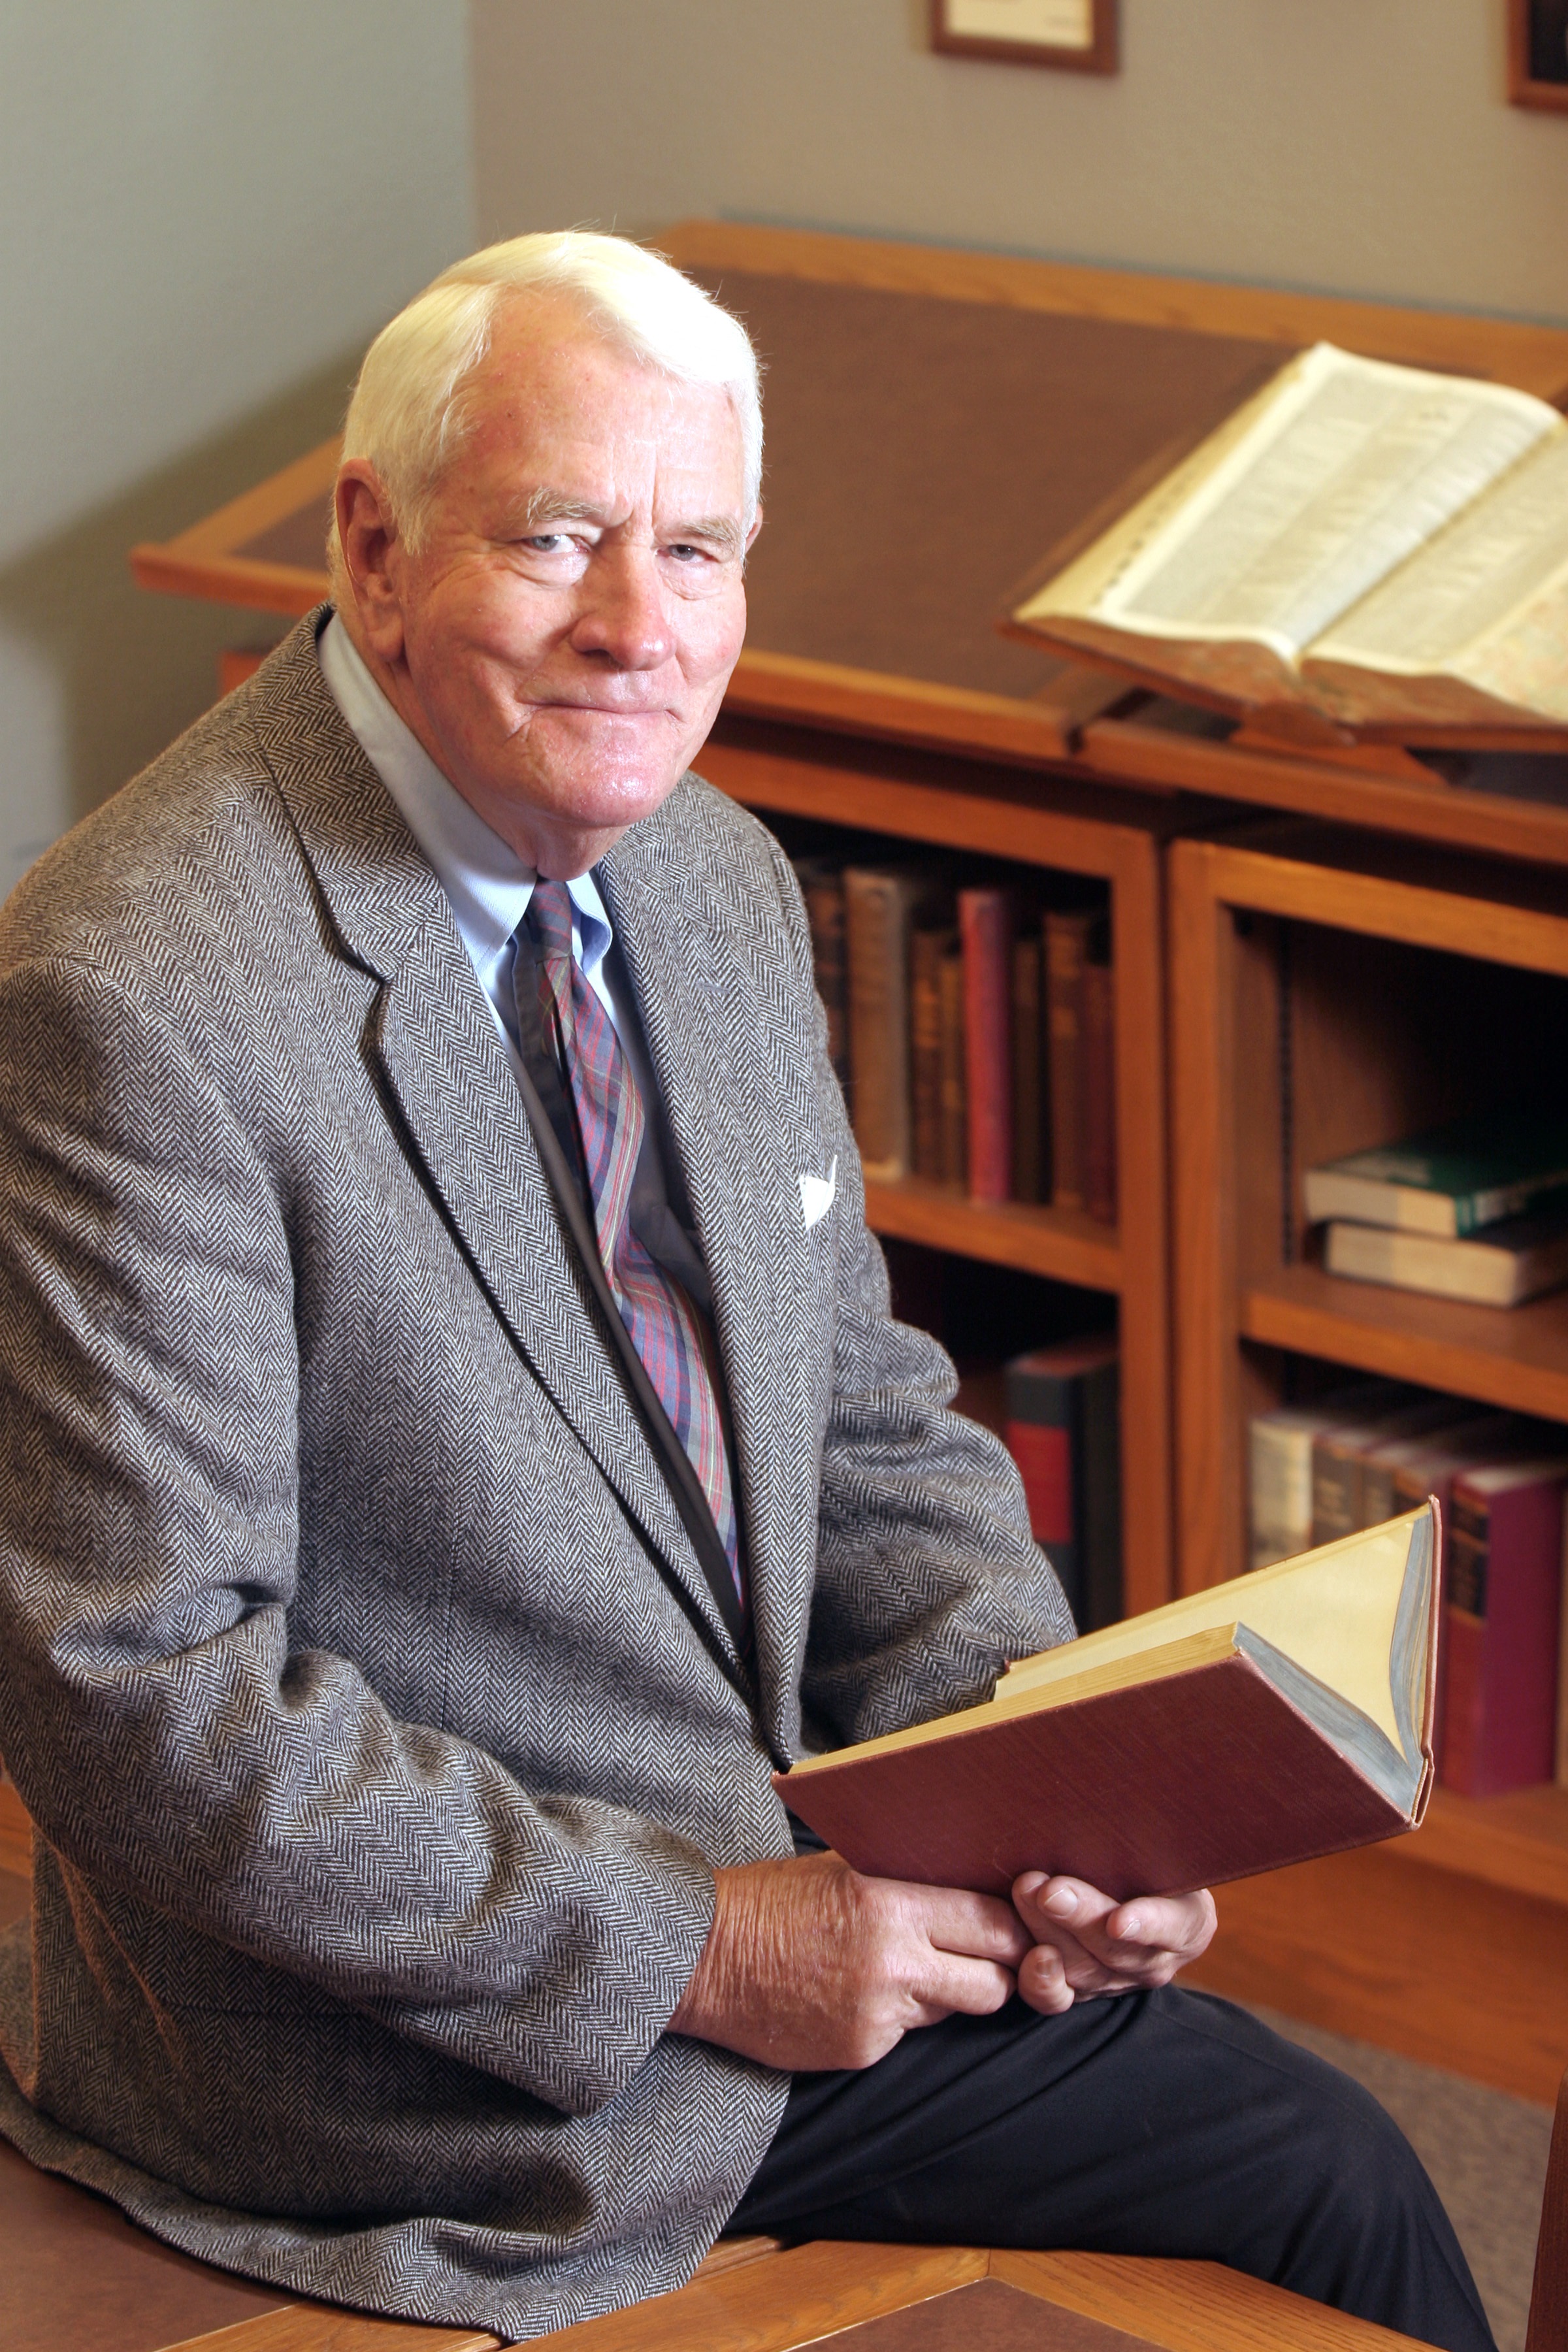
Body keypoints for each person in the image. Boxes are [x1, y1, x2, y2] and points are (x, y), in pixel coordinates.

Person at [0, 234, 1492, 2351]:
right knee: (1322, 2179)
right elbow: (131, 1688)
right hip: (413, 2051)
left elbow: (859, 1412)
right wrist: (700, 1944)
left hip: (781, 1865)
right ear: (375, 543)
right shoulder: (137, 989)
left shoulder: (701, 868)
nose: (640, 625)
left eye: (698, 550)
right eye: (558, 538)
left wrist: (1053, 1779)